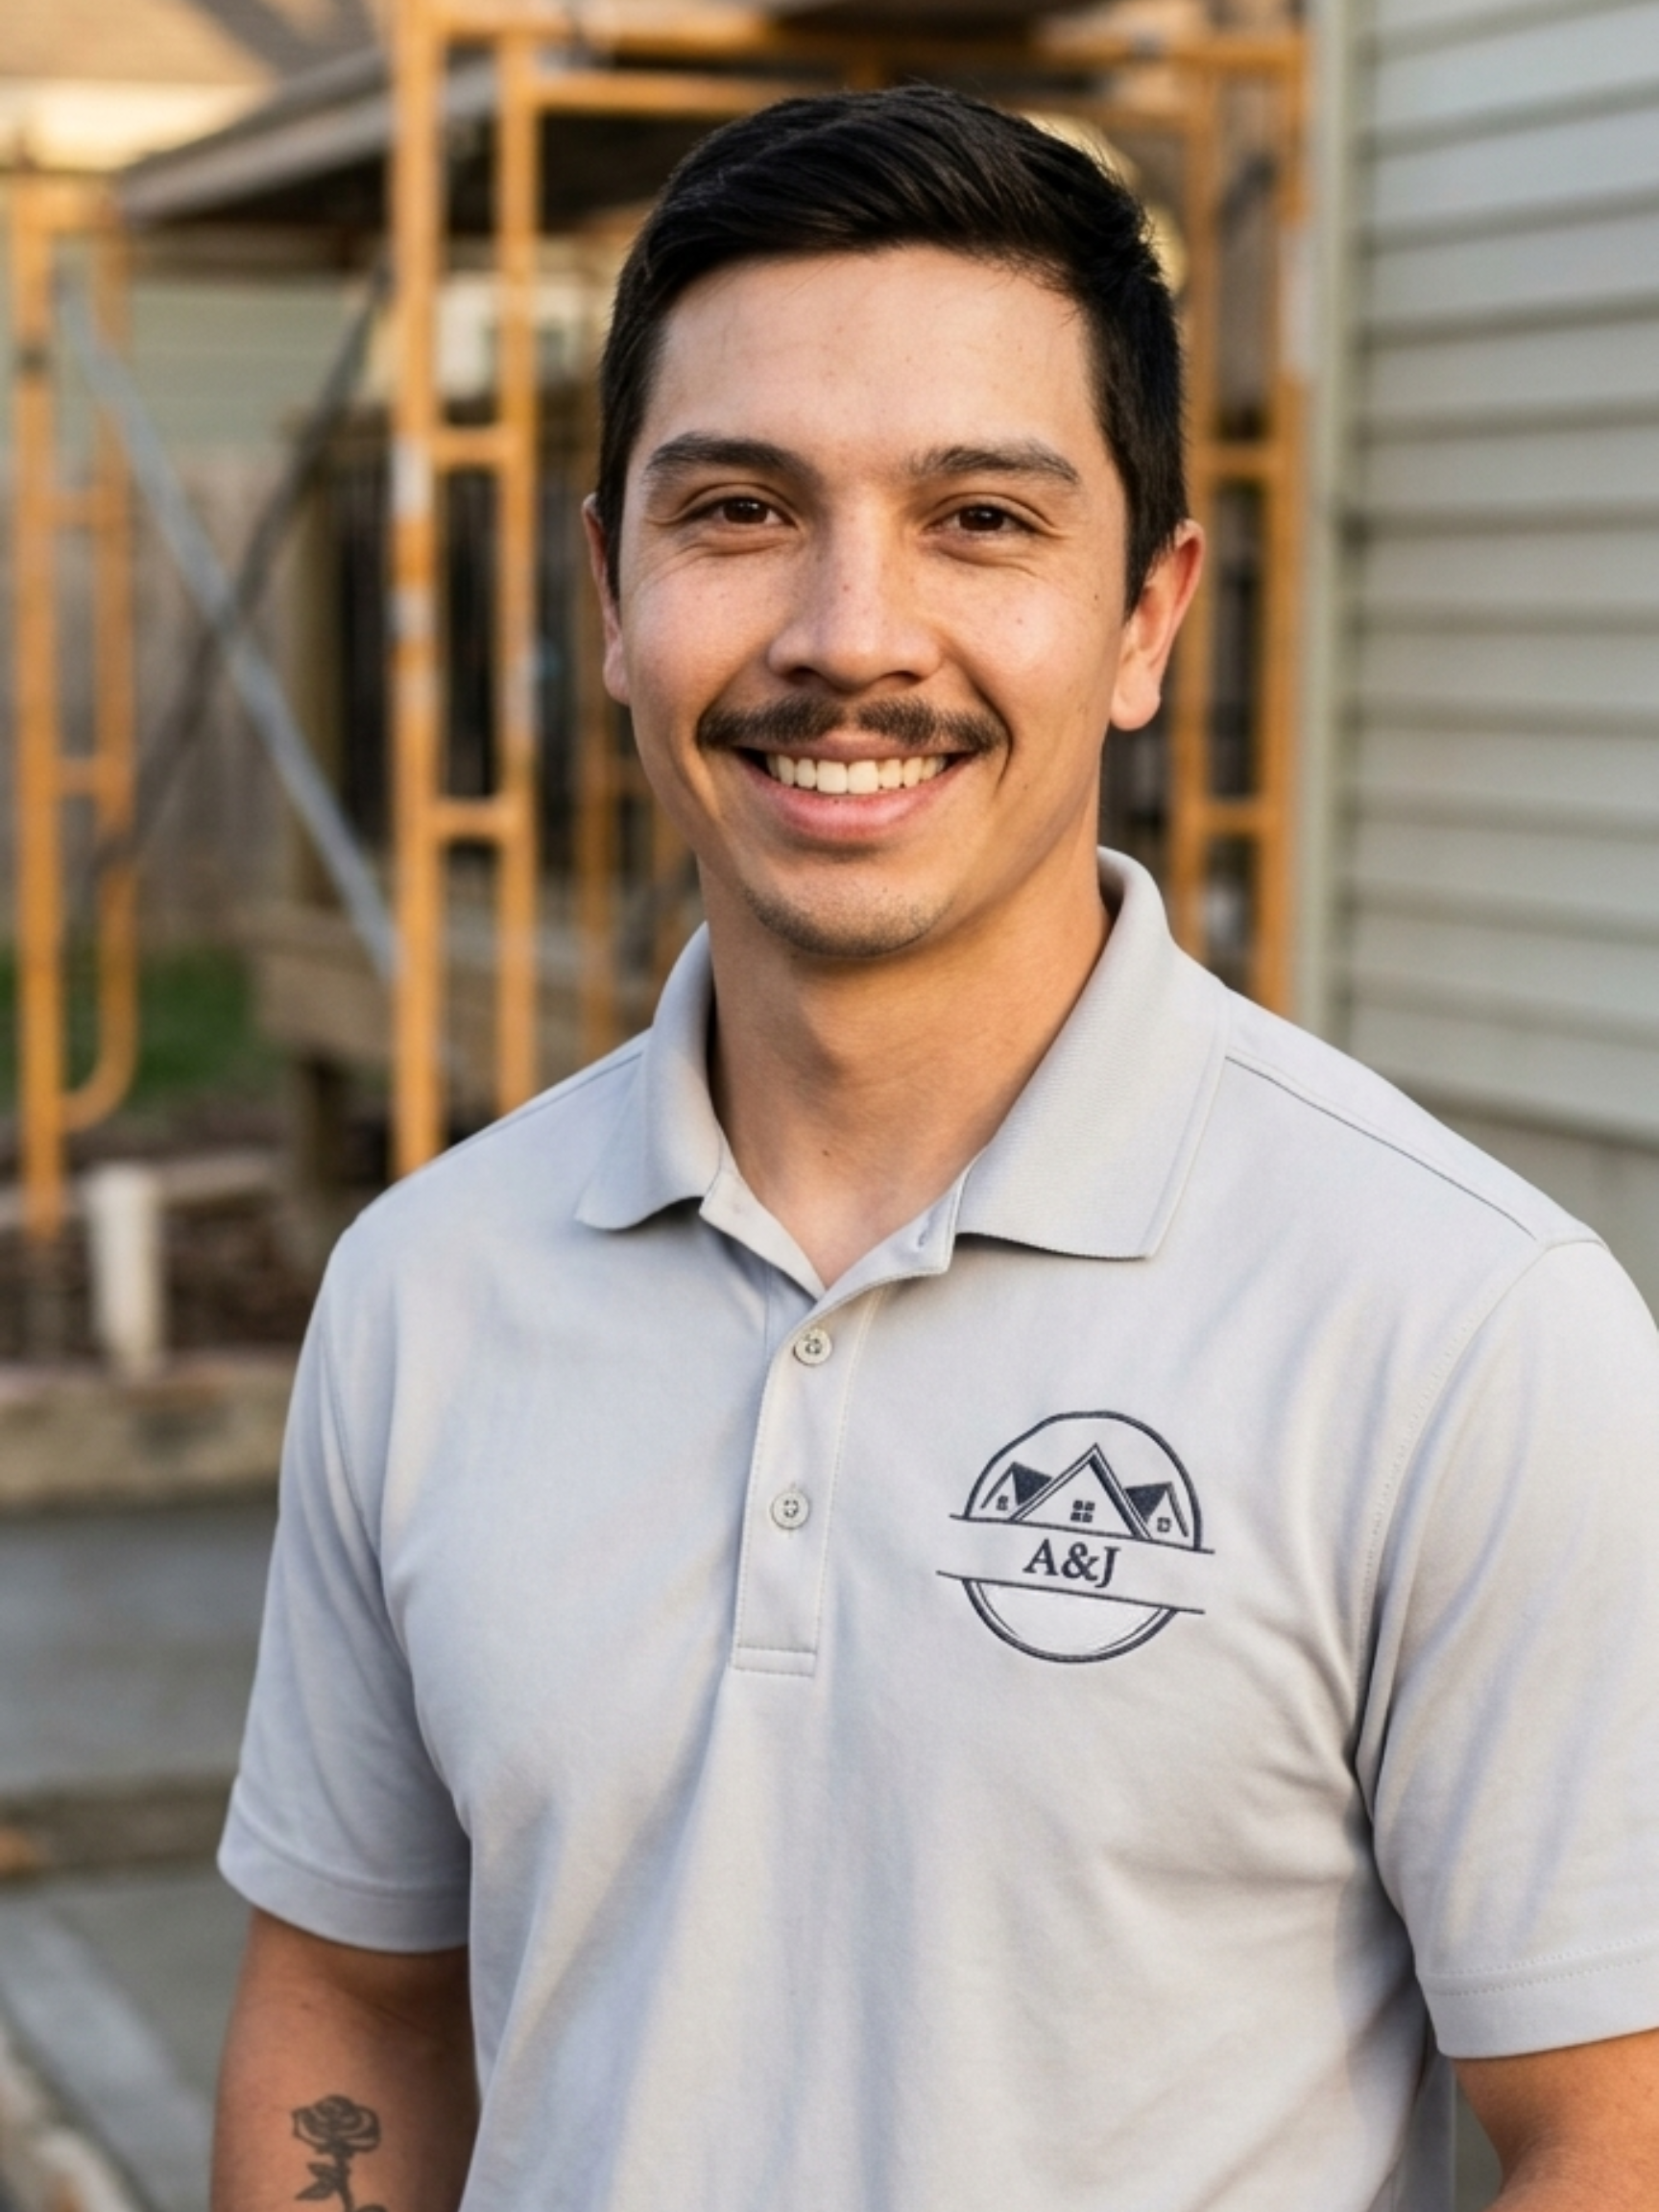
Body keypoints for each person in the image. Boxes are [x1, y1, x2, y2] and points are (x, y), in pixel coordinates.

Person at [211, 87, 1659, 2212]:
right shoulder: (428, 1285)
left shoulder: (1462, 1328)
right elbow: (347, 2007)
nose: (850, 635)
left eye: (981, 517)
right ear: (610, 591)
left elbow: (1606, 2131)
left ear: (1150, 616)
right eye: (739, 512)